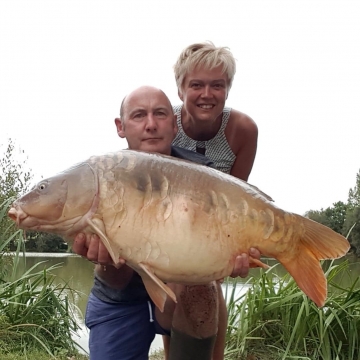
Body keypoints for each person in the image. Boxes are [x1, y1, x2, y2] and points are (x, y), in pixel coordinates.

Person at [72, 85, 260, 360]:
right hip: (120, 297)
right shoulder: (102, 178)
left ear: (174, 125)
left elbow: (221, 249)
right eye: (138, 115)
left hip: (179, 296)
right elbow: (116, 279)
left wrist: (227, 257)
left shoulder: (202, 176)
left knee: (203, 288)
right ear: (120, 126)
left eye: (159, 114)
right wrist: (106, 258)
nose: (150, 125)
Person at [162, 41, 259, 359]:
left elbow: (238, 200)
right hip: (167, 226)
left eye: (217, 85)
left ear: (228, 89)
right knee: (177, 288)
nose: (207, 94)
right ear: (180, 90)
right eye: (196, 85)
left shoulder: (243, 130)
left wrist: (235, 246)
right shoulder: (165, 127)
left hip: (214, 224)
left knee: (209, 283)